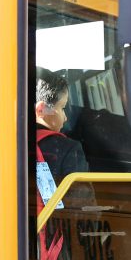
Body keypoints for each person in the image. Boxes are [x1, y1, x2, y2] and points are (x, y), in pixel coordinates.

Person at [36, 67, 94, 207]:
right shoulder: (67, 149)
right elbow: (84, 206)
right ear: (41, 109)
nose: (66, 117)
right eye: (62, 107)